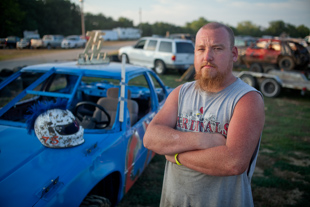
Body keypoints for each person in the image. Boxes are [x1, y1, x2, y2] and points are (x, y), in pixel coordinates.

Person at [143, 22, 265, 207]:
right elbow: (151, 139)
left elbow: (233, 162)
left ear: (233, 54)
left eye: (217, 48)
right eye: (201, 49)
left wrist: (175, 155)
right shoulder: (180, 93)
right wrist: (203, 140)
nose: (207, 56)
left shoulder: (246, 99)